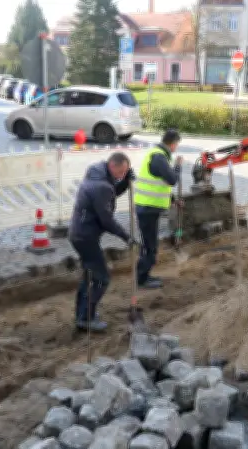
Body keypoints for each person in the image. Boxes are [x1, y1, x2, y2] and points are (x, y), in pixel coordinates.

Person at [69, 152, 138, 332]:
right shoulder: (101, 185)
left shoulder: (98, 174)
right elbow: (106, 220)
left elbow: (111, 194)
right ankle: (86, 318)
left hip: (80, 233)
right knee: (102, 278)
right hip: (86, 236)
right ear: (112, 166)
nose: (122, 175)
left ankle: (82, 315)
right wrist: (127, 237)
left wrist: (123, 182)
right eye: (121, 172)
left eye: (125, 173)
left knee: (89, 276)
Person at [134, 129, 183, 289]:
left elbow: (158, 183)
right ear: (173, 143)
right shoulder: (159, 157)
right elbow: (172, 180)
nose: (176, 148)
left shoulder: (156, 155)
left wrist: (172, 199)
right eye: (176, 145)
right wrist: (178, 167)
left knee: (149, 244)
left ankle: (143, 275)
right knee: (150, 246)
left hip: (148, 208)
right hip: (148, 208)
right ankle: (142, 279)